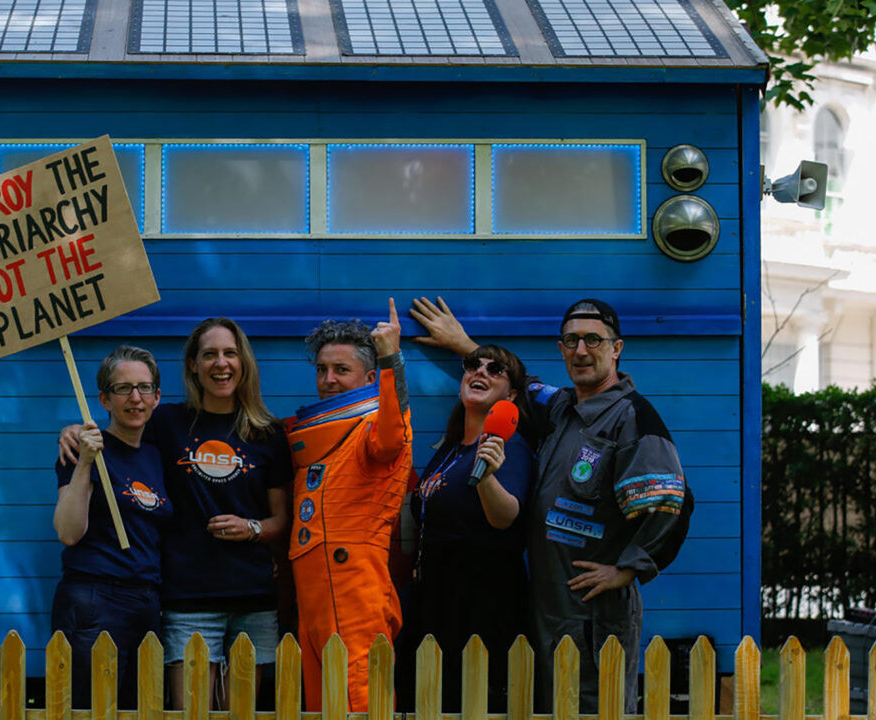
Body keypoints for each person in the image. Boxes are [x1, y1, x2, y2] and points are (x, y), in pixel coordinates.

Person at [410, 296, 689, 713]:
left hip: (594, 617)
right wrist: (465, 346)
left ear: (617, 348)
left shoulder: (631, 416)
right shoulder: (560, 409)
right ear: (561, 348)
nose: (581, 351)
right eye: (572, 340)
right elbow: (520, 381)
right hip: (546, 608)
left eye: (594, 340)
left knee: (595, 707)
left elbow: (670, 501)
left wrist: (628, 568)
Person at [61, 319, 292, 709]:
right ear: (192, 365)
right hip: (189, 596)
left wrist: (251, 528)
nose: (221, 363)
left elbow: (281, 521)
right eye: (210, 354)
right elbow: (119, 433)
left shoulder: (267, 434)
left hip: (253, 596)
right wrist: (70, 430)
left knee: (244, 713)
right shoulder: (166, 423)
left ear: (244, 362)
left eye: (230, 353)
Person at [286, 299, 414, 712]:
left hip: (354, 583)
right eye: (322, 370)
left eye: (341, 370)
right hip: (314, 588)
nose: (329, 380)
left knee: (360, 698)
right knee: (321, 702)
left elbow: (394, 434)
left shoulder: (376, 429)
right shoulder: (316, 434)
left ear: (371, 377)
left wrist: (393, 357)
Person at [396, 344, 536, 713]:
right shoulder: (452, 447)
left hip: (481, 606)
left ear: (513, 395)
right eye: (474, 365)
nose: (481, 372)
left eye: (496, 370)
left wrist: (487, 477)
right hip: (435, 601)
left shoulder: (510, 446)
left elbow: (506, 516)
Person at [52, 345, 172, 710]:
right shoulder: (84, 450)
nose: (135, 398)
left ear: (157, 397)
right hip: (96, 601)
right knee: (93, 709)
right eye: (123, 389)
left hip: (147, 601)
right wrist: (86, 463)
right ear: (104, 399)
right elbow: (68, 532)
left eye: (144, 388)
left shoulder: (156, 453)